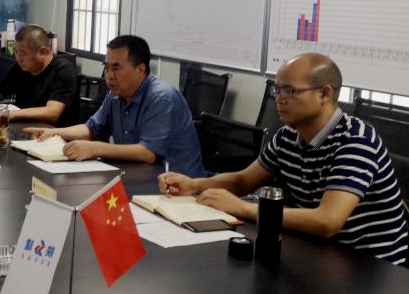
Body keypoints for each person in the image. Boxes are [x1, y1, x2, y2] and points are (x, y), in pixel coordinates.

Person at [160, 53, 408, 264]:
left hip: (373, 268)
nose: (279, 98)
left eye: (290, 91)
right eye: (277, 90)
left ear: (324, 94)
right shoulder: (288, 136)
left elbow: (327, 221)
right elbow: (244, 180)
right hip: (319, 253)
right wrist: (194, 185)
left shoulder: (356, 141)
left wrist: (244, 208)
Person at [24, 35, 205, 176]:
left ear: (140, 69)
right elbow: (92, 128)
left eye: (116, 68)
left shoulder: (162, 98)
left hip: (178, 189)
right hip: (138, 177)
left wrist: (94, 148)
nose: (109, 75)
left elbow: (147, 153)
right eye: (107, 67)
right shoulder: (115, 95)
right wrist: (54, 133)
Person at [0, 24, 78, 125]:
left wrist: (11, 114)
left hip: (53, 134)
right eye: (16, 52)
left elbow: (52, 113)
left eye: (23, 54)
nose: (18, 58)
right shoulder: (21, 68)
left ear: (43, 52)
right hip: (23, 127)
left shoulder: (63, 70)